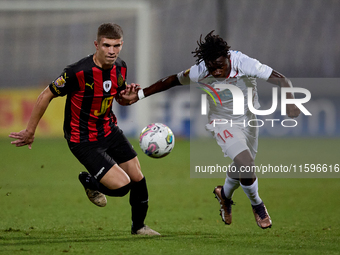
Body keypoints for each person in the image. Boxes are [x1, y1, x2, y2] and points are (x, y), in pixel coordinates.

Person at [122, 31, 300, 229]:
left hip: (249, 120)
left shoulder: (244, 63)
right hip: (221, 121)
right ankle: (257, 205)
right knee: (246, 163)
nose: (215, 72)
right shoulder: (200, 70)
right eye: (211, 67)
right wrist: (139, 95)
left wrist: (290, 101)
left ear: (228, 59)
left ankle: (224, 194)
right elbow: (172, 80)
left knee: (243, 166)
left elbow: (282, 80)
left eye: (220, 66)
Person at [9, 23, 160, 236]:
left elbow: (117, 97)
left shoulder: (121, 67)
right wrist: (30, 130)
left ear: (121, 45)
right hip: (83, 138)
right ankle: (89, 181)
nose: (111, 51)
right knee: (122, 186)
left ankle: (139, 227)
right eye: (107, 45)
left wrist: (127, 97)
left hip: (109, 130)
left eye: (116, 46)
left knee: (137, 177)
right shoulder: (77, 72)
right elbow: (46, 94)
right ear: (96, 44)